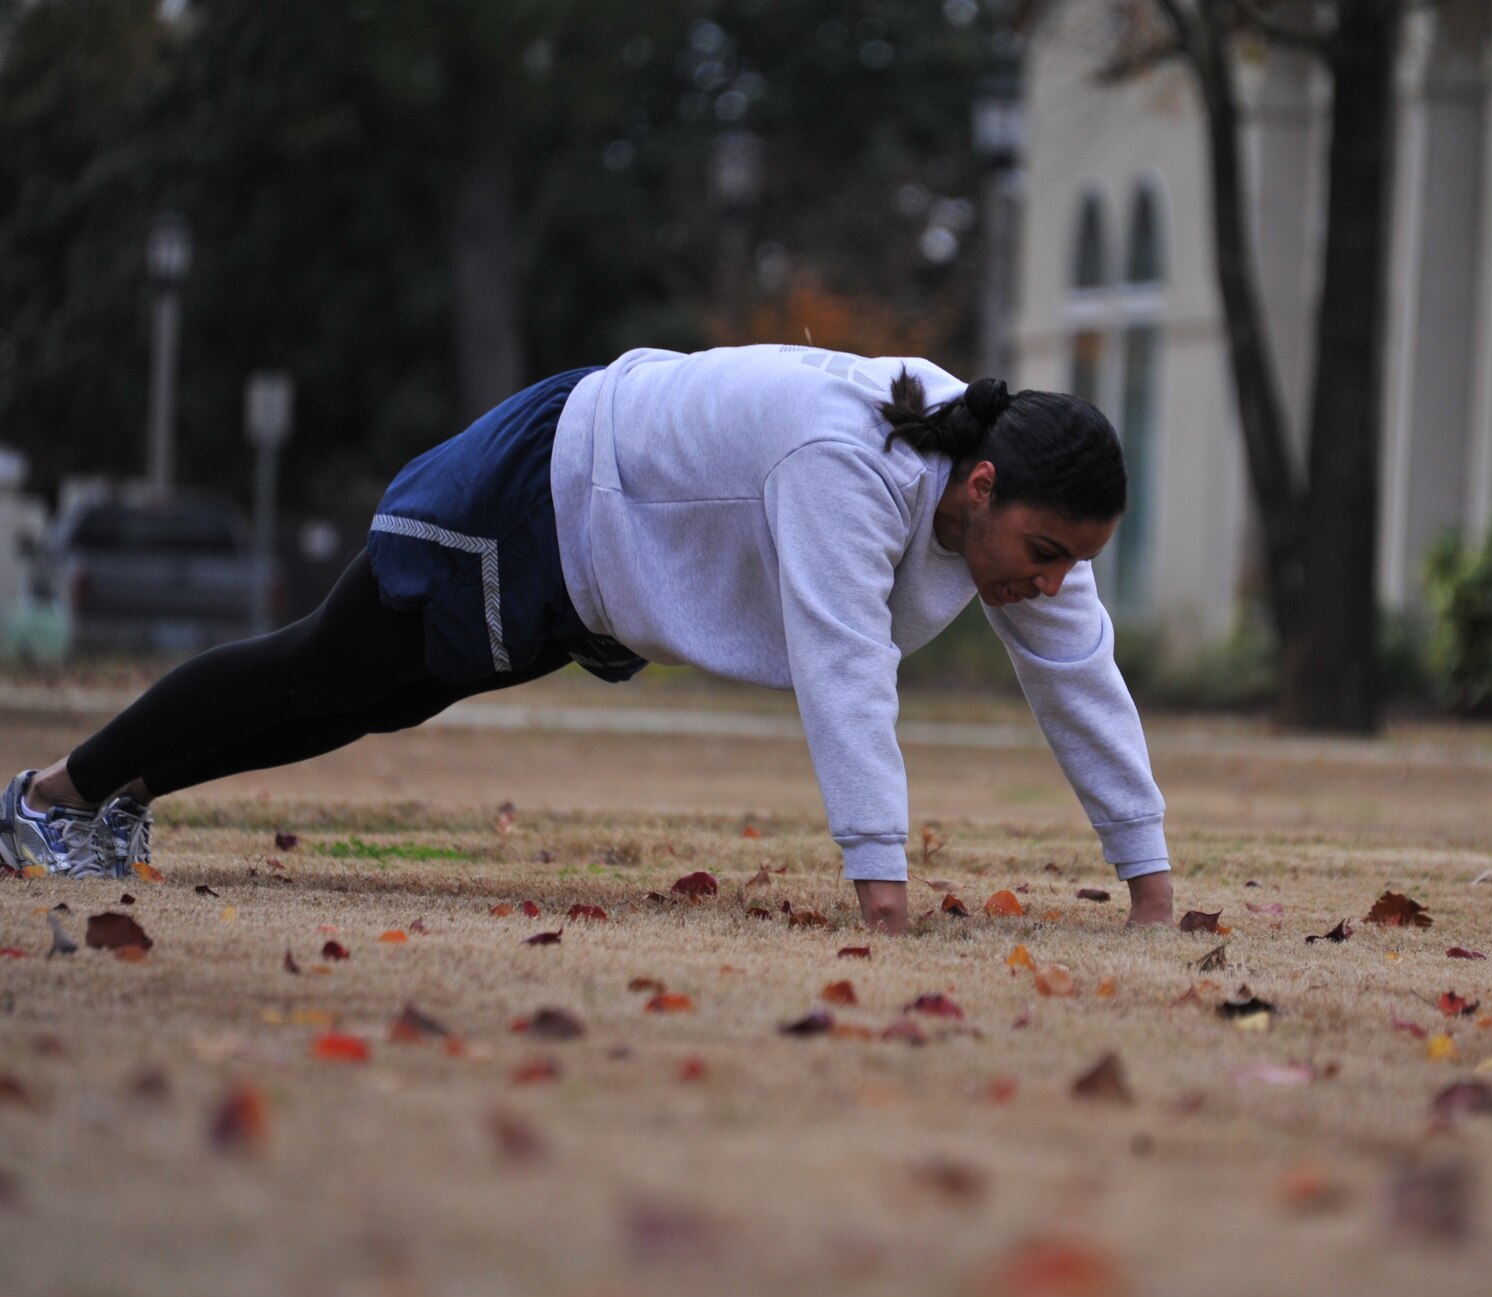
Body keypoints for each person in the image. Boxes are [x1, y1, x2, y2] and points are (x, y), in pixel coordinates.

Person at [0, 344, 1174, 932]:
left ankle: (108, 800)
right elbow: (844, 670)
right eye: (1045, 555)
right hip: (544, 483)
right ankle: (54, 794)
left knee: (368, 697)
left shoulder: (1022, 492)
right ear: (976, 488)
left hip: (596, 553)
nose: (1052, 582)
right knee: (327, 665)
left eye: (1073, 561)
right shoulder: (847, 467)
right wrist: (882, 898)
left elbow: (1081, 677)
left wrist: (1152, 896)